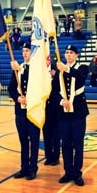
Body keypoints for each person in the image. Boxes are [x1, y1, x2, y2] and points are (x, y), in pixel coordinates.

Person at [51, 45, 89, 186]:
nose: (68, 55)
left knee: (77, 144)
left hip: (78, 113)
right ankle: (68, 171)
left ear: (76, 55)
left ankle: (77, 173)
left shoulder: (82, 68)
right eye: (66, 53)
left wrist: (66, 69)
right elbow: (53, 92)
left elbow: (80, 79)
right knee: (65, 143)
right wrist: (61, 101)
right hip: (63, 114)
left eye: (71, 53)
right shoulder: (60, 72)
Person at [8, 42, 40, 180]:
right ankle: (24, 167)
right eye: (23, 51)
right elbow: (10, 88)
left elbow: (37, 85)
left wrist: (19, 70)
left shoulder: (36, 69)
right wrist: (17, 98)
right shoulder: (18, 68)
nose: (25, 53)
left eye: (27, 51)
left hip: (33, 111)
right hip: (20, 111)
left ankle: (33, 168)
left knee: (34, 140)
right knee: (23, 141)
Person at [42, 64, 60, 166]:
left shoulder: (57, 80)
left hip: (56, 111)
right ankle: (48, 156)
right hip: (45, 112)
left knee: (56, 136)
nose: (50, 72)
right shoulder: (44, 82)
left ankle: (56, 157)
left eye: (51, 70)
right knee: (46, 135)